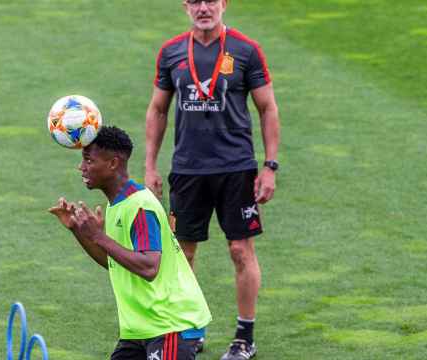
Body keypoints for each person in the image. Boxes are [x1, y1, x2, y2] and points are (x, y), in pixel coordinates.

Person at [144, 0, 280, 359]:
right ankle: (190, 330)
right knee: (183, 253)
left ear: (224, 4)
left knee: (240, 250)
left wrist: (270, 166)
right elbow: (158, 109)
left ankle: (244, 337)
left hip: (236, 168)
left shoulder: (246, 50)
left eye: (211, 0)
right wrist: (150, 167)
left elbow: (267, 107)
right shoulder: (171, 52)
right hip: (188, 170)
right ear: (185, 6)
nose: (204, 8)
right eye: (195, 1)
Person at [49, 126, 212, 360]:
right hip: (141, 327)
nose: (81, 167)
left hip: (170, 324)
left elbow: (148, 267)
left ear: (113, 163)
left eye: (88, 160)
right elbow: (114, 262)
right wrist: (77, 230)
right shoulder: (117, 204)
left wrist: (98, 235)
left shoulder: (140, 206)